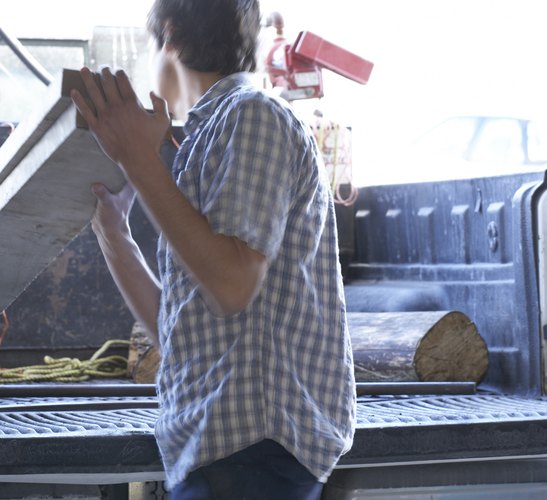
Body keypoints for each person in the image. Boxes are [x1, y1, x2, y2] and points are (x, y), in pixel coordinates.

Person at [69, 0, 356, 498]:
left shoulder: (252, 116)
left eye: (148, 46)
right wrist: (114, 234)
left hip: (256, 451)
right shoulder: (204, 143)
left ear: (172, 36)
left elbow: (233, 284)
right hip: (219, 450)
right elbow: (175, 332)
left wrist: (139, 160)